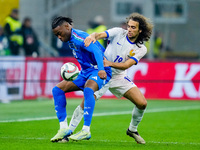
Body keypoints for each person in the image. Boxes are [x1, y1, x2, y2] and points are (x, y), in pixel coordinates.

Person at [68, 13, 153, 144]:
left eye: (133, 27)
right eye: (129, 26)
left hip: (119, 76)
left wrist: (110, 63)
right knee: (86, 102)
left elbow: (126, 65)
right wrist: (92, 36)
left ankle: (132, 130)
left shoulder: (141, 48)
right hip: (103, 74)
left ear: (140, 30)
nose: (129, 29)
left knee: (142, 103)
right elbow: (100, 34)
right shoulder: (118, 32)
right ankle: (68, 133)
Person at [50, 16, 112, 142]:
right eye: (57, 35)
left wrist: (101, 69)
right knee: (57, 90)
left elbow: (96, 51)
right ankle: (63, 128)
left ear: (67, 26)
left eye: (60, 33)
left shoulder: (79, 37)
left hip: (98, 70)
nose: (59, 37)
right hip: (85, 72)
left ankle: (86, 130)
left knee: (88, 90)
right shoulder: (70, 40)